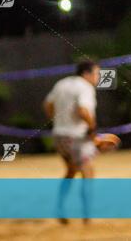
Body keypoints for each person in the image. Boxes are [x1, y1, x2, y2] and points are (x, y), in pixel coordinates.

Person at [44, 60, 100, 224]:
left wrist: (57, 121)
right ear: (86, 74)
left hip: (59, 135)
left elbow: (47, 104)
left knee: (71, 171)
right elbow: (82, 110)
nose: (98, 77)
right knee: (88, 173)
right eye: (96, 73)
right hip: (77, 137)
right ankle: (87, 215)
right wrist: (92, 128)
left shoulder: (62, 83)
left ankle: (60, 208)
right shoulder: (85, 87)